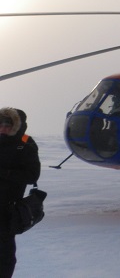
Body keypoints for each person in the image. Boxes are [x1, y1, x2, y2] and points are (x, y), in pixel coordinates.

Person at [0, 108, 41, 277]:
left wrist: (5, 173)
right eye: (0, 124)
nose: (3, 128)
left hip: (7, 209)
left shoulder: (26, 142)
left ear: (16, 125)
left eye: (7, 124)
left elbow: (33, 175)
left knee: (4, 253)